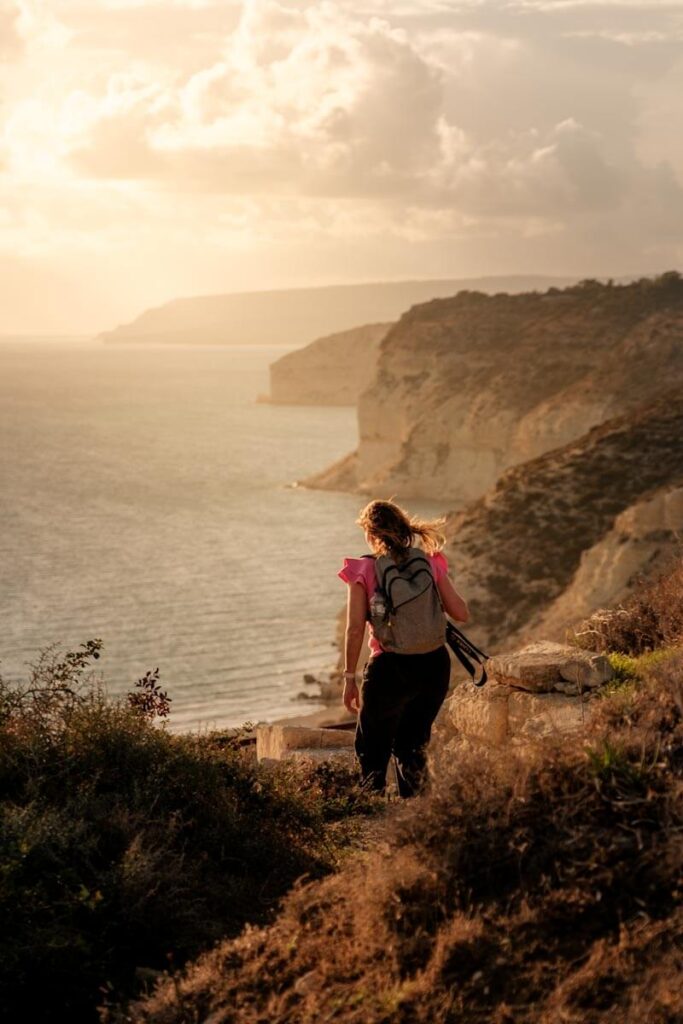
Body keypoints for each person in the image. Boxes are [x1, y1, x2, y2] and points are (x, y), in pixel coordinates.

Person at [338, 499, 470, 798]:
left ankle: (372, 805)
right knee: (413, 744)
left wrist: (349, 678)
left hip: (390, 669)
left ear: (371, 535)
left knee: (372, 743)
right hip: (434, 666)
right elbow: (461, 613)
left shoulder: (365, 569)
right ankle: (418, 815)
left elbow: (355, 628)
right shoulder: (430, 562)